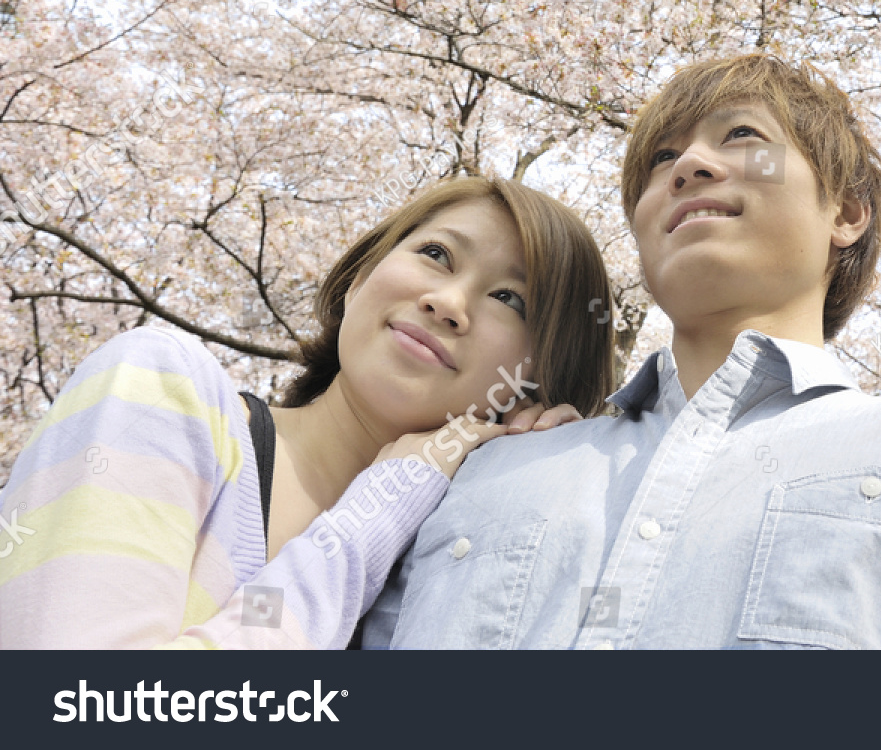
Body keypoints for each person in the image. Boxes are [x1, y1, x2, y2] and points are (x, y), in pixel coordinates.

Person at [364, 54, 881, 649]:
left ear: (846, 211)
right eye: (661, 159)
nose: (687, 165)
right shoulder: (484, 468)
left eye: (742, 137)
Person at [0, 175, 613, 648]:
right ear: (359, 279)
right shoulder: (161, 387)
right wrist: (378, 511)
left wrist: (543, 488)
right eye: (436, 254)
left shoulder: (443, 573)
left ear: (539, 380)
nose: (447, 302)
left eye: (510, 299)